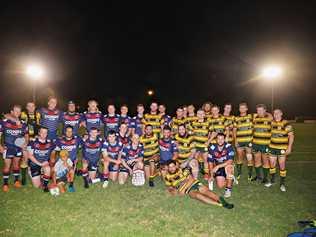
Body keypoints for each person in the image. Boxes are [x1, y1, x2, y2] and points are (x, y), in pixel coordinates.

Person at [164, 160, 234, 209]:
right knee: (197, 196)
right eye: (170, 167)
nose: (172, 168)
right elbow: (170, 187)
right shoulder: (167, 177)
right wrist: (174, 191)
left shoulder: (182, 170)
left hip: (194, 183)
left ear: (176, 166)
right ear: (168, 168)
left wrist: (183, 188)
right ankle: (219, 204)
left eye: (173, 166)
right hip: (188, 190)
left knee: (207, 192)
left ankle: (223, 202)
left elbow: (191, 179)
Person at [0, 105, 29, 192]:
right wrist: (0, 147)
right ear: (11, 112)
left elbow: (26, 135)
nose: (18, 113)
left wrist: (25, 143)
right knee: (7, 166)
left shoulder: (23, 123)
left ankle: (16, 181)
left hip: (18, 148)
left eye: (19, 111)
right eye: (16, 111)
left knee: (16, 164)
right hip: (7, 148)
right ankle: (5, 183)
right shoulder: (4, 122)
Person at [266, 109, 294, 192]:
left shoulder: (286, 123)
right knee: (272, 165)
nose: (276, 114)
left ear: (281, 114)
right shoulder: (272, 123)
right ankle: (272, 181)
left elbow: (291, 136)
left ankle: (282, 184)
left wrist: (289, 147)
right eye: (274, 113)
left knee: (282, 166)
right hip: (272, 147)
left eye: (278, 113)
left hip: (282, 148)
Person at [27, 126, 55, 192]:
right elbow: (30, 156)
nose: (44, 134)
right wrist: (40, 164)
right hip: (34, 163)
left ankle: (45, 186)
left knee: (48, 168)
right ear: (39, 133)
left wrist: (50, 159)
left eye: (45, 133)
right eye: (42, 132)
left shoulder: (50, 142)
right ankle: (31, 171)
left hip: (44, 163)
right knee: (37, 186)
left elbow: (55, 149)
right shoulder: (32, 142)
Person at [208, 133, 235, 198]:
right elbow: (210, 163)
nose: (220, 141)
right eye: (218, 139)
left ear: (224, 139)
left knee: (229, 168)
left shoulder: (229, 146)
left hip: (227, 164)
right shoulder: (212, 148)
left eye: (222, 139)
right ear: (216, 140)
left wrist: (217, 166)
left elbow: (230, 161)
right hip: (218, 166)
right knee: (220, 186)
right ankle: (231, 179)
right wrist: (211, 175)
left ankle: (228, 189)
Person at [252, 104, 272, 184]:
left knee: (265, 161)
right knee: (256, 160)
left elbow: (272, 118)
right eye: (258, 110)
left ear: (265, 110)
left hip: (265, 144)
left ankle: (265, 178)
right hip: (256, 143)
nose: (259, 112)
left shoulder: (269, 118)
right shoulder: (255, 118)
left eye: (261, 110)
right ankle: (258, 176)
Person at [233, 102, 254, 181]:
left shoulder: (251, 116)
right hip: (239, 141)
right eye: (240, 108)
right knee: (239, 157)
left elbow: (263, 114)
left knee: (249, 157)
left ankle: (250, 174)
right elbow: (234, 130)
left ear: (246, 109)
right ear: (239, 109)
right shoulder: (236, 118)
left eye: (243, 108)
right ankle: (239, 173)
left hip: (249, 141)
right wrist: (235, 140)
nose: (242, 109)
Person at [189, 109, 210, 179]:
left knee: (205, 160)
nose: (200, 115)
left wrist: (208, 141)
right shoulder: (193, 123)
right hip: (196, 145)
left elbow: (212, 132)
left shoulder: (208, 123)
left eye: (202, 114)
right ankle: (195, 172)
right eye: (198, 114)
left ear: (204, 114)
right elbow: (190, 132)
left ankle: (206, 174)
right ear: (196, 115)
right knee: (194, 159)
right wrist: (192, 138)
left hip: (204, 145)